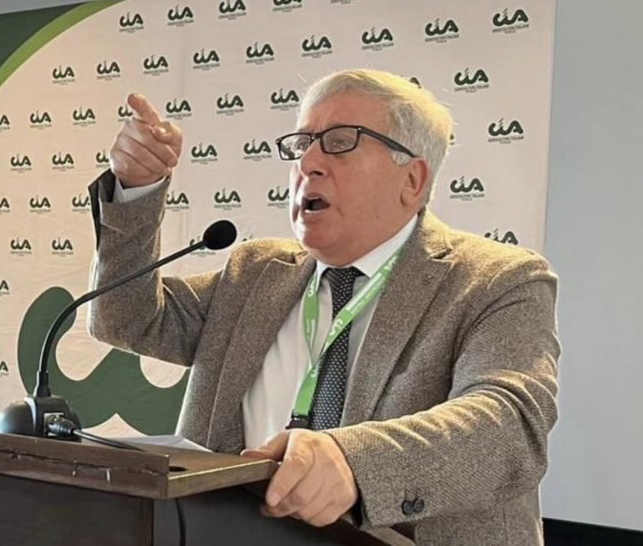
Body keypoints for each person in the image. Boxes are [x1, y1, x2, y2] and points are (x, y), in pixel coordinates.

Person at [88, 69, 559, 545]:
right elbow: (124, 318)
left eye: (339, 142)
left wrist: (353, 461)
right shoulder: (256, 273)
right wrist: (137, 189)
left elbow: (509, 426)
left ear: (412, 179)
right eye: (302, 144)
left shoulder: (496, 280)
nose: (308, 162)